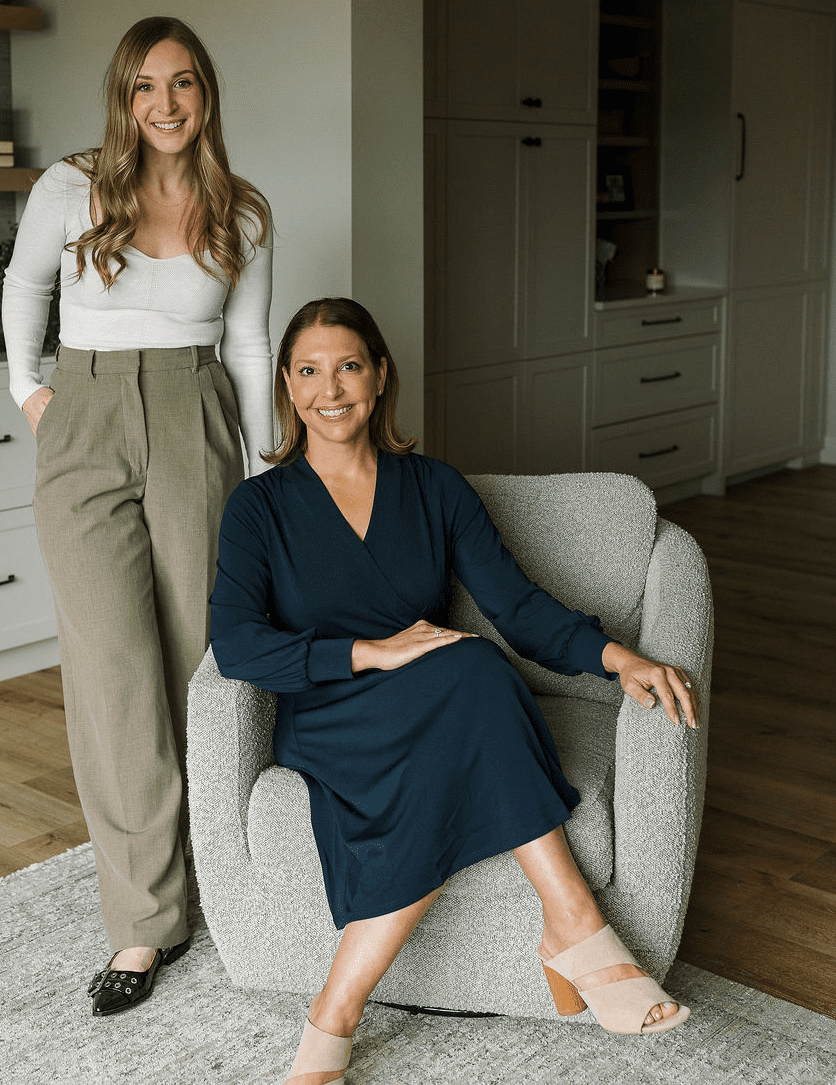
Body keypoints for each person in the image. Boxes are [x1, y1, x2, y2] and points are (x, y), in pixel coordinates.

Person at [209, 298, 699, 1083]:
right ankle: (575, 930)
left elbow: (517, 605)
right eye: (307, 370)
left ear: (379, 376)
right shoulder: (258, 506)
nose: (328, 389)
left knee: (473, 666)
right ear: (286, 386)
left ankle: (334, 1015)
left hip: (436, 701)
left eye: (347, 366)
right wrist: (370, 651)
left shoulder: (434, 485)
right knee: (474, 672)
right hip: (332, 711)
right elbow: (235, 643)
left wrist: (616, 656)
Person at [1, 16, 273, 1017]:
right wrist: (30, 397)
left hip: (196, 415)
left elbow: (249, 350)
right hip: (85, 412)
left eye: (184, 84)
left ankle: (224, 868)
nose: (164, 104)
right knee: (111, 666)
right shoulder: (68, 190)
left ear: (206, 96)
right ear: (121, 97)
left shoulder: (239, 210)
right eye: (144, 86)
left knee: (200, 656)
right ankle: (144, 921)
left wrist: (257, 468)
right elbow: (23, 286)